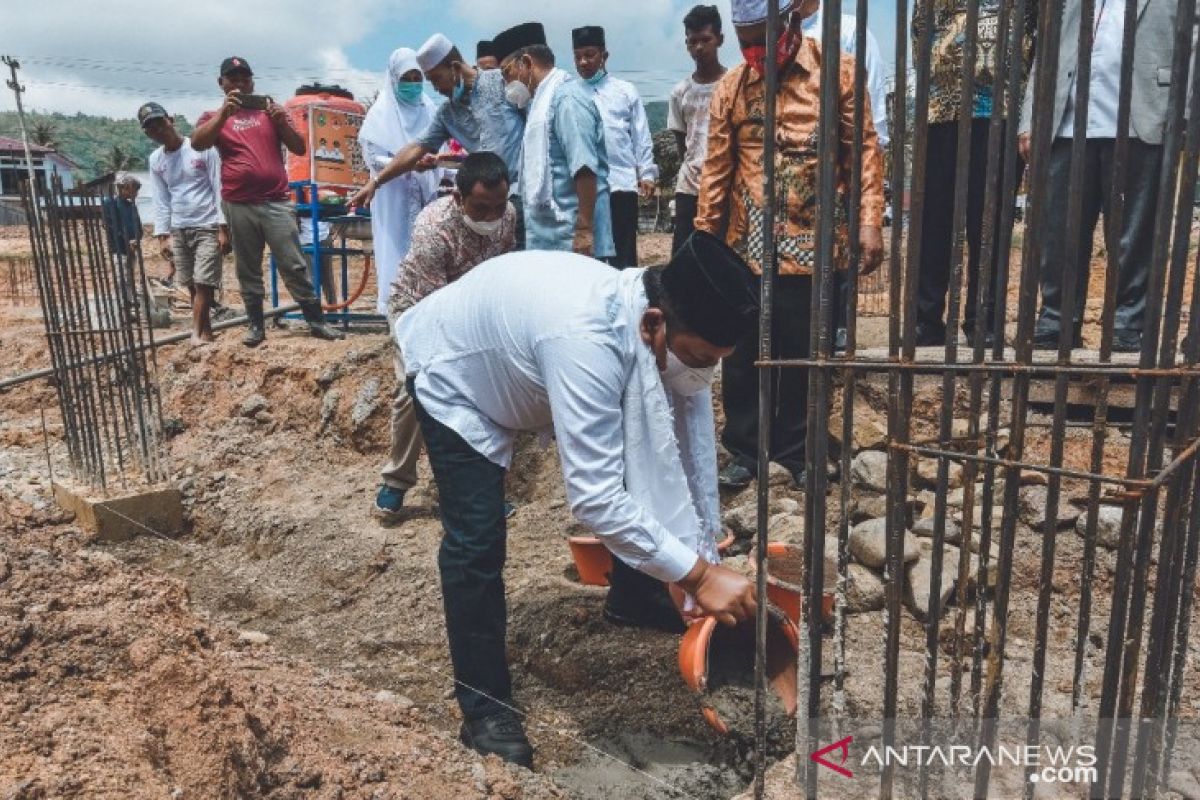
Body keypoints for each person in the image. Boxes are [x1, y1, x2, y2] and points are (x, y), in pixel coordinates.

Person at [395, 229, 760, 765]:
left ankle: (635, 597)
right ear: (655, 324)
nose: (704, 372)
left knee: (640, 450)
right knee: (477, 538)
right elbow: (594, 498)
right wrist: (700, 576)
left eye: (717, 360)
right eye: (700, 356)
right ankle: (485, 706)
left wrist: (698, 555)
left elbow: (676, 457)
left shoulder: (647, 319)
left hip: (517, 361)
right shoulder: (586, 340)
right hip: (456, 373)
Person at [696, 0, 885, 490]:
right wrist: (703, 244)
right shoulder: (732, 88)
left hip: (814, 243)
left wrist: (870, 222)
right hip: (745, 247)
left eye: (763, 37)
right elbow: (716, 173)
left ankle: (797, 452)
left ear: (790, 22)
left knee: (804, 352)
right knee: (743, 354)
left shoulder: (839, 72)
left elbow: (863, 149)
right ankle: (744, 450)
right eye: (745, 42)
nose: (755, 51)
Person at [1022, 0, 1173, 353]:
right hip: (1066, 124)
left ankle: (1127, 324)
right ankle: (1057, 321)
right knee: (1059, 231)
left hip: (1143, 121)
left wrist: (1181, 112)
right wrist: (1031, 115)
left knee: (1133, 236)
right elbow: (1048, 48)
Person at [375, 152, 518, 519]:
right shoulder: (433, 229)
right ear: (458, 198)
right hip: (419, 309)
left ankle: (479, 489)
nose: (491, 217)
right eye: (480, 207)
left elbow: (503, 274)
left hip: (474, 311)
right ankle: (396, 481)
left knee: (485, 393)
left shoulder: (508, 218)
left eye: (498, 207)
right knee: (417, 388)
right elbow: (434, 313)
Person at [192, 56, 343, 346]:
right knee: (248, 268)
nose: (239, 83)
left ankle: (316, 321)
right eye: (232, 79)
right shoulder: (212, 116)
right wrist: (224, 114)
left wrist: (280, 122)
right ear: (221, 83)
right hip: (238, 204)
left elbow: (299, 148)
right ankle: (256, 327)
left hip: (276, 201)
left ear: (252, 82)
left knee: (293, 263)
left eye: (244, 78)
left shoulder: (271, 112)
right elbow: (198, 143)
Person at [912, 0, 1036, 347]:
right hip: (941, 113)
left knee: (991, 223)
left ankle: (985, 319)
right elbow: (920, 38)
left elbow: (1037, 42)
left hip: (1004, 112)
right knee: (935, 220)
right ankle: (927, 319)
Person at [349, 33, 526, 248]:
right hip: (487, 207)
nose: (435, 89)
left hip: (524, 197)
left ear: (455, 68)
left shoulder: (500, 82)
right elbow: (415, 148)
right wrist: (376, 182)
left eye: (436, 79)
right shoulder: (448, 114)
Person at [797, 0, 890, 352]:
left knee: (839, 250)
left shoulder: (849, 31)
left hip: (840, 164)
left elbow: (874, 106)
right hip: (795, 171)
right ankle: (801, 330)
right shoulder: (778, 33)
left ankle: (837, 330)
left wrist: (868, 167)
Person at [494, 22, 614, 259]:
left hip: (574, 241)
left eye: (506, 73)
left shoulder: (567, 100)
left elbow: (585, 168)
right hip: (549, 240)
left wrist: (584, 230)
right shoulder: (538, 105)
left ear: (526, 63)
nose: (505, 83)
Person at [359, 47, 443, 319]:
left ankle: (427, 310)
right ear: (394, 78)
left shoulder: (429, 108)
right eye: (406, 78)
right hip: (392, 193)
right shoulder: (380, 114)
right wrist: (405, 163)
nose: (413, 84)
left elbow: (442, 145)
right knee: (395, 246)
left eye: (417, 77)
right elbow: (373, 157)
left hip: (427, 191)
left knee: (428, 248)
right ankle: (397, 313)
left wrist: (436, 162)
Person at [139, 101, 230, 345]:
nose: (159, 129)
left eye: (161, 122)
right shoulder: (156, 160)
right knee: (190, 283)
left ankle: (195, 333)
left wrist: (223, 227)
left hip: (207, 224)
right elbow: (161, 199)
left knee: (204, 282)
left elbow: (218, 186)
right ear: (147, 133)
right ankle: (207, 332)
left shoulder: (201, 147)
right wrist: (162, 235)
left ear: (171, 120)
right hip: (180, 227)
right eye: (152, 128)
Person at [572, 25, 658, 267]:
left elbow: (640, 135)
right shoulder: (569, 95)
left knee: (624, 255)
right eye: (577, 56)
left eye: (589, 55)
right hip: (585, 189)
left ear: (604, 56)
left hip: (622, 184)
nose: (583, 62)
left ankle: (625, 303)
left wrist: (647, 173)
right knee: (590, 258)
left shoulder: (625, 91)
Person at [668, 4, 727, 258]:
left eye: (706, 39)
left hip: (725, 187)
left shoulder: (732, 84)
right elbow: (683, 142)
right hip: (689, 188)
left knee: (722, 256)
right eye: (693, 41)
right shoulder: (681, 92)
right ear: (687, 44)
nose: (699, 48)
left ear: (720, 40)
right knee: (684, 256)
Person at [102, 172, 145, 320]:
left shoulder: (131, 206)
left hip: (131, 249)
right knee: (121, 279)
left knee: (129, 279)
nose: (136, 193)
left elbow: (138, 226)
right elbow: (111, 225)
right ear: (124, 188)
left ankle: (129, 310)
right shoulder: (109, 204)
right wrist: (127, 239)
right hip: (118, 248)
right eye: (134, 189)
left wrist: (136, 239)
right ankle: (123, 311)